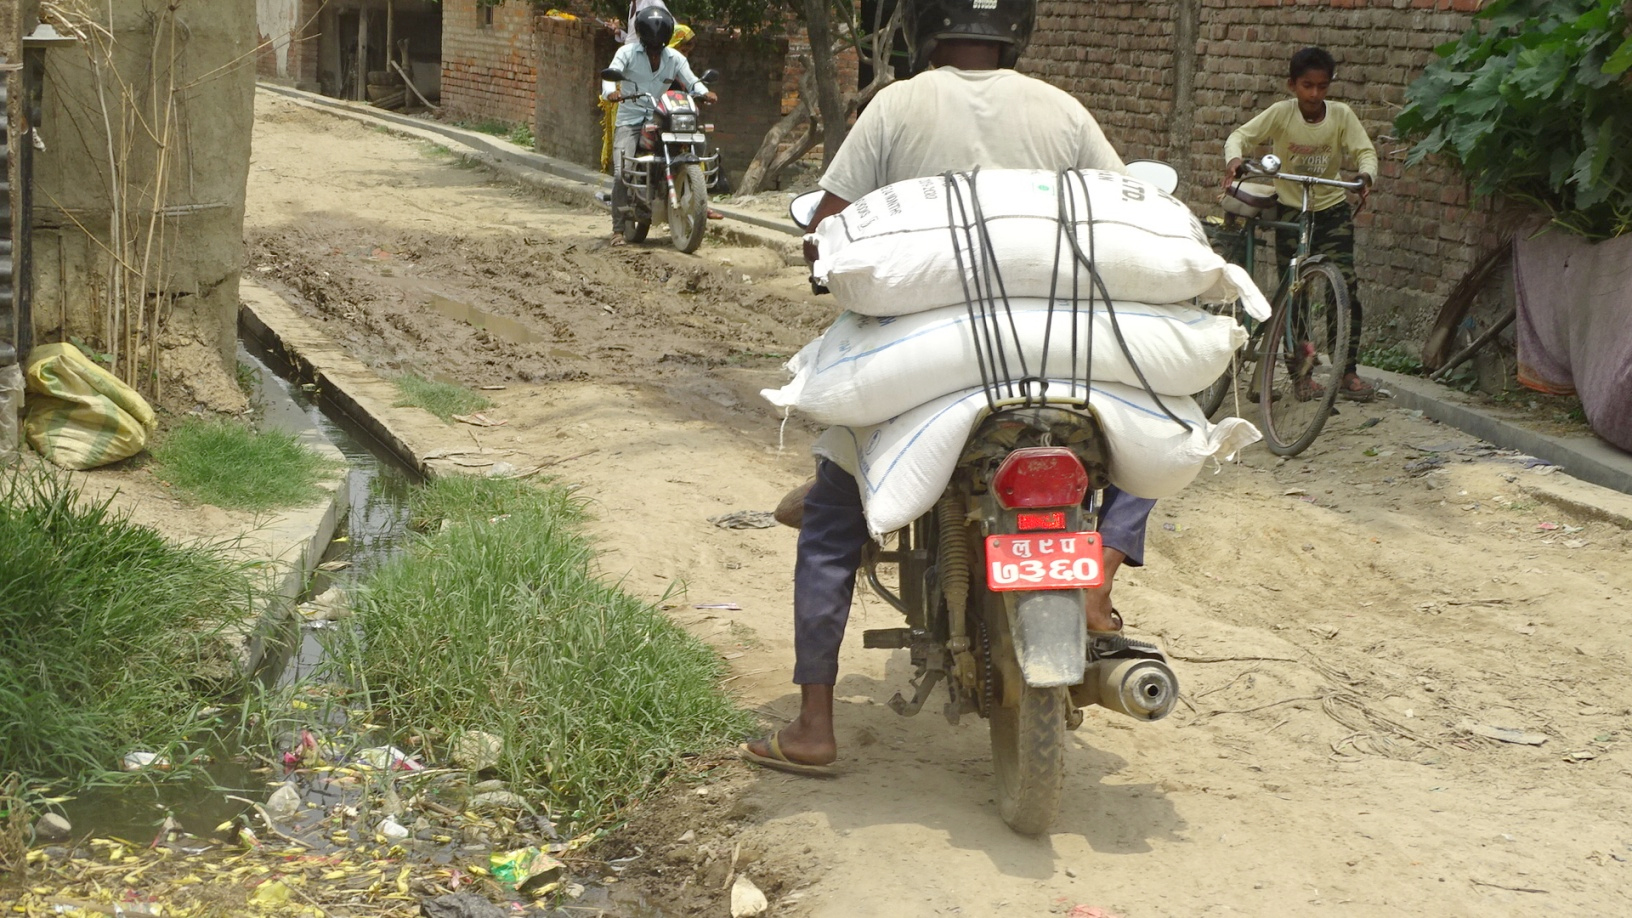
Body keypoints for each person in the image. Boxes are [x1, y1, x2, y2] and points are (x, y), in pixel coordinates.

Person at [740, 0, 1155, 776]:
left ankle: (813, 726)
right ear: (1019, 31)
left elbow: (827, 226)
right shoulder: (1064, 111)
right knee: (1149, 425)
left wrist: (822, 255)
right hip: (1060, 359)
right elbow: (1126, 214)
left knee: (828, 527)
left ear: (929, 26)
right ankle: (1101, 563)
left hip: (921, 361)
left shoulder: (896, 105)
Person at [1224, 46, 1379, 401]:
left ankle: (1346, 371)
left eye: (1322, 87)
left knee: (1345, 287)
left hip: (1331, 207)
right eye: (1307, 86)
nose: (1314, 94)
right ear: (1292, 84)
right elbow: (1239, 137)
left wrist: (1366, 176)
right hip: (1291, 211)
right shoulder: (1281, 114)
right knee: (1295, 294)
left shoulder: (1341, 116)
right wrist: (1234, 159)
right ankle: (1301, 376)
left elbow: (1365, 152)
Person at [600, 6, 716, 246]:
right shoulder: (627, 52)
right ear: (643, 39)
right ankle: (618, 230)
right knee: (622, 171)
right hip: (630, 120)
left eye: (658, 48)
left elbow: (692, 81)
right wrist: (611, 92)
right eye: (651, 48)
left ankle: (694, 194)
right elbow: (610, 76)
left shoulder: (675, 58)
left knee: (698, 139)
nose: (655, 53)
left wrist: (705, 92)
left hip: (660, 117)